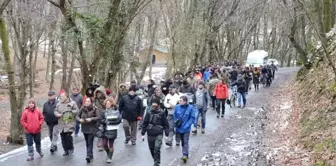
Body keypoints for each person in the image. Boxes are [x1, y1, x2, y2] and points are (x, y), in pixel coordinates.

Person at [141, 98, 169, 166]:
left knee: (157, 148)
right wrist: (143, 133)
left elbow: (166, 124)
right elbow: (145, 123)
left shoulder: (162, 112)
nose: (154, 104)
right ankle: (156, 160)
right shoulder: (148, 112)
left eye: (155, 103)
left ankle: (156, 163)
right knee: (151, 148)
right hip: (150, 133)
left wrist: (166, 134)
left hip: (159, 133)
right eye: (153, 103)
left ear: (158, 104)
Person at [76, 97, 99, 163]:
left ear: (91, 102)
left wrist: (91, 119)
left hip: (92, 127)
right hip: (84, 127)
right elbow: (77, 116)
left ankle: (88, 155)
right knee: (87, 142)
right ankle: (90, 155)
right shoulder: (82, 108)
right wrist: (80, 120)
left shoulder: (95, 108)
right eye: (86, 101)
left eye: (88, 101)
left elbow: (98, 117)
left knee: (90, 141)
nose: (87, 102)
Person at [173, 96, 196, 163]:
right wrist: (176, 121)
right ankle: (185, 153)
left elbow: (192, 118)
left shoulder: (190, 108)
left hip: (186, 129)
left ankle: (185, 155)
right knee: (182, 142)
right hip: (178, 128)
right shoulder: (177, 107)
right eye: (179, 100)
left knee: (185, 141)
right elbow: (174, 115)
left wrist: (187, 125)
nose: (180, 102)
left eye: (181, 100)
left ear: (185, 101)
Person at [99, 97, 121, 163]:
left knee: (111, 144)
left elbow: (119, 120)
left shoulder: (116, 111)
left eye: (109, 103)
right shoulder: (103, 112)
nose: (107, 104)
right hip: (105, 130)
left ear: (111, 104)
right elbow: (100, 120)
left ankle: (110, 157)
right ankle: (108, 153)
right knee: (104, 144)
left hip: (113, 130)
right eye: (106, 103)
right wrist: (105, 121)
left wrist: (111, 122)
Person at [93, 86, 106, 151]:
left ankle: (102, 144)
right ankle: (100, 143)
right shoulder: (94, 99)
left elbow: (107, 106)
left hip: (103, 116)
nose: (98, 94)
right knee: (98, 130)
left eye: (100, 93)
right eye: (97, 93)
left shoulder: (105, 99)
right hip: (96, 117)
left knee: (102, 130)